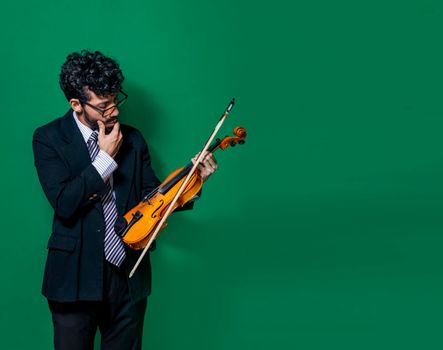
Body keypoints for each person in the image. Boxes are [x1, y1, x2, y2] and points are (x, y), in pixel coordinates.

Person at [32, 50, 217, 350]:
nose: (114, 111)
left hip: (128, 276)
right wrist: (104, 158)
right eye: (104, 106)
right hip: (74, 279)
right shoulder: (48, 138)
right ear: (76, 104)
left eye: (116, 100)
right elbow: (65, 203)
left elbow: (153, 199)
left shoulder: (134, 139)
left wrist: (191, 182)